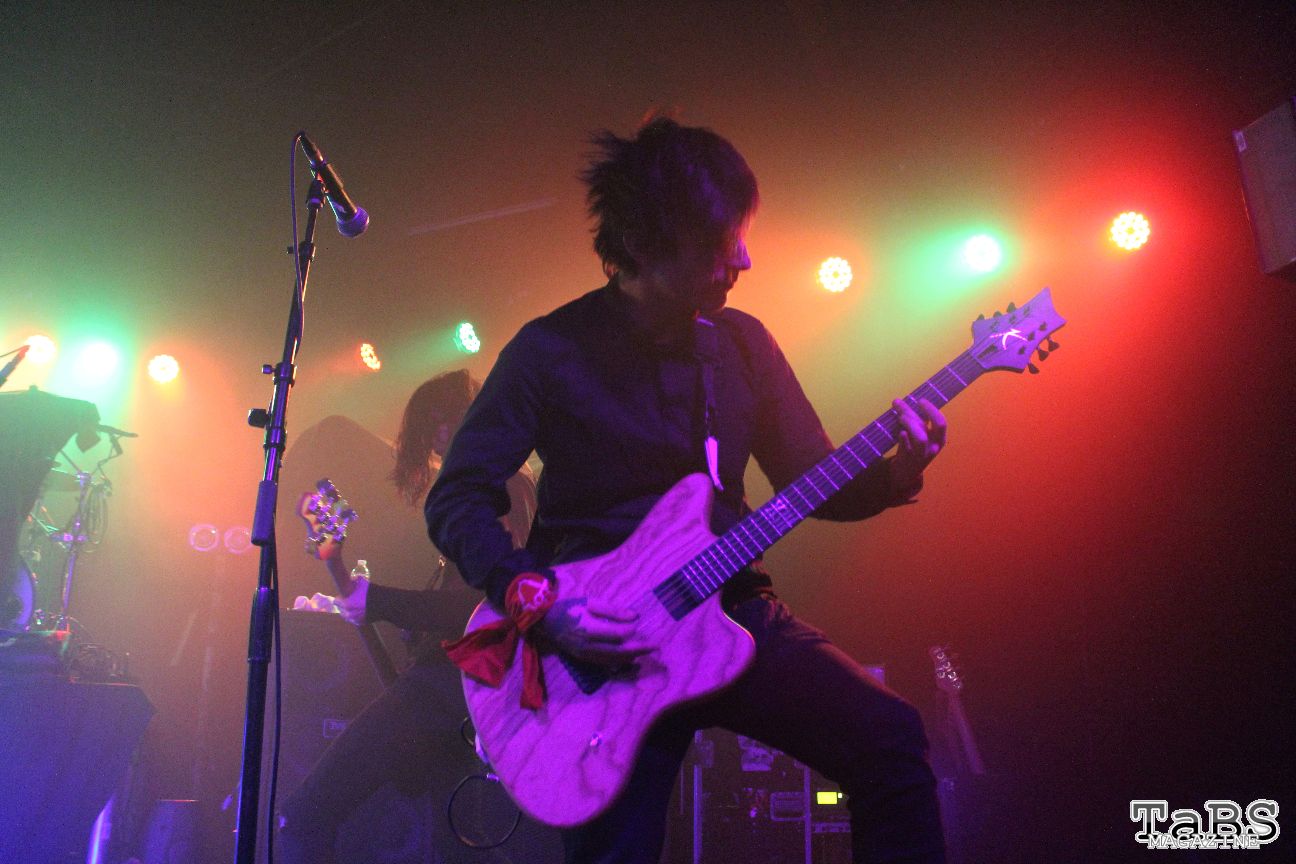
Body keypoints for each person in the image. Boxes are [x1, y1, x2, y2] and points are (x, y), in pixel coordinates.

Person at [425, 117, 949, 863]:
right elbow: (456, 498)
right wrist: (540, 602)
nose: (743, 259)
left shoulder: (742, 344)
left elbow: (813, 479)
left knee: (891, 741)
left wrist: (898, 472)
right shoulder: (550, 350)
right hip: (599, 642)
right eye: (718, 242)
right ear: (643, 246)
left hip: (731, 611)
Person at [278, 370, 541, 864]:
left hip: (450, 684)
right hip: (461, 685)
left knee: (305, 817)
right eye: (430, 428)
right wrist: (336, 563)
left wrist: (378, 600)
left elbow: (484, 604)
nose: (435, 441)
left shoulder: (499, 485)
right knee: (457, 842)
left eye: (441, 424)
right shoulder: (497, 484)